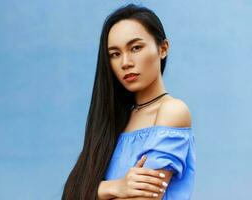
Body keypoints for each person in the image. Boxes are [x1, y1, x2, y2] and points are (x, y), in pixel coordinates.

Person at [62, 3, 195, 200]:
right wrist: (117, 187)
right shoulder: (114, 119)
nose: (125, 62)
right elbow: (70, 193)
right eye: (115, 54)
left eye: (136, 48)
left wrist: (95, 191)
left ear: (163, 48)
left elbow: (144, 198)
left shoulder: (172, 111)